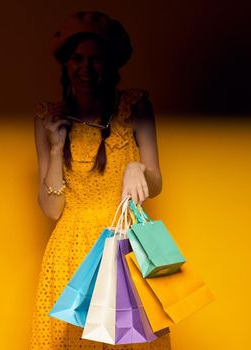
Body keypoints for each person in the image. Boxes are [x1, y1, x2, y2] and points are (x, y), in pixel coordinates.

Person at [29, 11, 171, 349]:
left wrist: (137, 168)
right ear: (65, 64)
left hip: (124, 244)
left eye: (96, 59)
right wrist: (56, 145)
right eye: (77, 58)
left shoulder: (134, 108)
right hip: (71, 254)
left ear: (111, 65)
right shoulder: (47, 118)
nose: (86, 68)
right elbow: (51, 209)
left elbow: (156, 180)